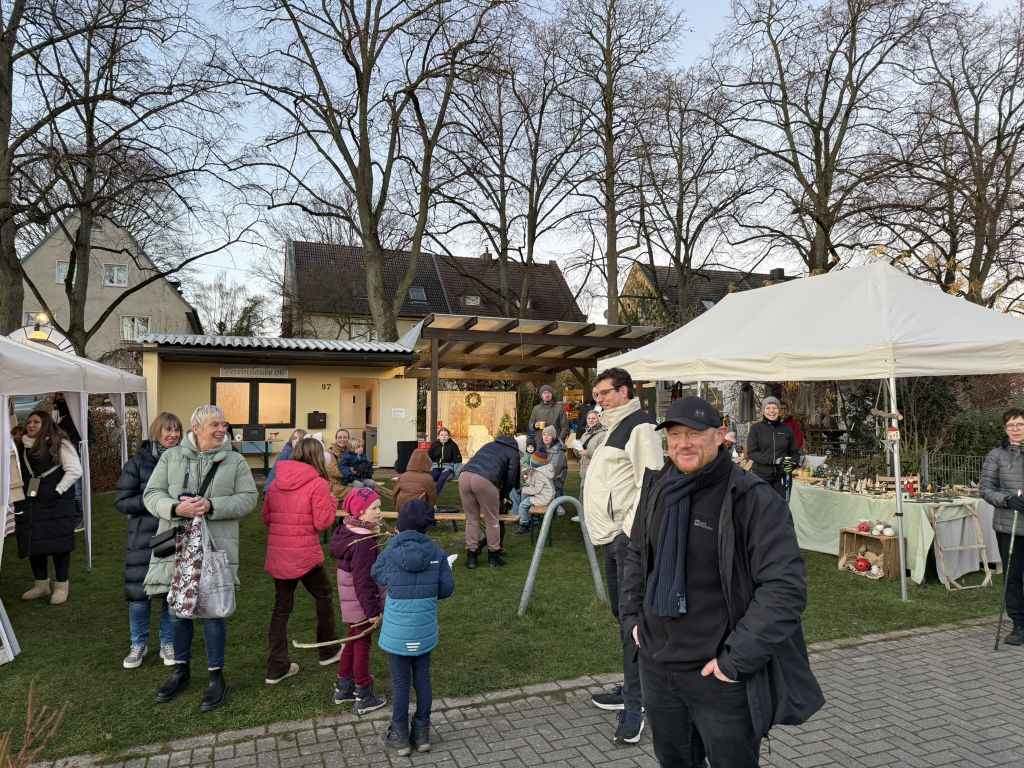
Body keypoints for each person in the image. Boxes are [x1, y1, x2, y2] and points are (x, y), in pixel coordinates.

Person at [620, 396, 824, 767]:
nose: (683, 443)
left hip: (718, 675)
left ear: (720, 436)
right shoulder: (658, 487)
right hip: (658, 667)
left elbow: (784, 588)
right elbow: (636, 553)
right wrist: (633, 620)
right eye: (675, 435)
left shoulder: (751, 498)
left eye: (695, 433)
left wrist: (735, 661)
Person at [144, 405, 258, 712]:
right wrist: (174, 508)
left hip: (215, 548)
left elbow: (249, 498)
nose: (221, 429)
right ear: (196, 428)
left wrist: (212, 505)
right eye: (214, 424)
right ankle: (181, 671)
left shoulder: (235, 460)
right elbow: (151, 494)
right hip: (177, 546)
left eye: (223, 424)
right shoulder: (171, 457)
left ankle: (216, 676)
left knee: (213, 611)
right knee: (177, 610)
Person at [582, 367, 663, 744]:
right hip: (612, 539)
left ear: (625, 391)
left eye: (605, 393)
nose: (599, 399)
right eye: (596, 394)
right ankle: (634, 686)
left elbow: (652, 484)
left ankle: (637, 704)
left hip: (627, 540)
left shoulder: (640, 426)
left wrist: (629, 532)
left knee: (633, 620)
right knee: (623, 615)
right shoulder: (614, 426)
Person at [371, 500, 455, 756]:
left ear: (400, 524)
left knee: (400, 683)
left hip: (398, 631)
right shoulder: (438, 554)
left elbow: (377, 574)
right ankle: (422, 733)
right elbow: (446, 590)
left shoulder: (390, 551)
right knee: (423, 679)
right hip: (423, 628)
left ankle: (399, 735)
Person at [263, 437, 341, 684]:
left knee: (281, 608)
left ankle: (276, 666)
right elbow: (323, 522)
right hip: (305, 554)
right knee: (324, 595)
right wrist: (331, 501)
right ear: (318, 457)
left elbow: (267, 517)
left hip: (280, 554)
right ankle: (328, 649)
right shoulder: (318, 484)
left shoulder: (276, 482)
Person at [114, 412, 183, 668]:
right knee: (139, 595)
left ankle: (168, 642)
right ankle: (138, 644)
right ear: (156, 432)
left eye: (176, 430)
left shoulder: (185, 461)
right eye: (168, 429)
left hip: (172, 533)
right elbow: (122, 501)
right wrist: (154, 501)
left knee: (168, 592)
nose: (173, 435)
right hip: (143, 535)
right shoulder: (137, 463)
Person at [13, 410, 82, 605]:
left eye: (36, 422)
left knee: (59, 545)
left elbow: (74, 470)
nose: (31, 425)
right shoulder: (21, 445)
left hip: (56, 504)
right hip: (30, 502)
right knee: (34, 543)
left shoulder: (60, 443)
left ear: (45, 424)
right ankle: (41, 585)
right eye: (29, 422)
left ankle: (61, 586)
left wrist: (58, 490)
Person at [331, 488, 388, 713]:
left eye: (379, 507)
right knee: (362, 646)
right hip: (361, 604)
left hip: (351, 602)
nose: (379, 512)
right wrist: (372, 611)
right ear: (360, 511)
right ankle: (363, 693)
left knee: (352, 641)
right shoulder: (363, 542)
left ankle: (344, 686)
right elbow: (363, 580)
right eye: (374, 508)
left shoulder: (348, 530)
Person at [980, 408, 1024, 646]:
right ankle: (1019, 624)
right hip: (1010, 527)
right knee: (1013, 578)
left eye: (1020, 425)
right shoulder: (996, 455)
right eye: (1010, 425)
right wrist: (1007, 500)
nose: (1015, 429)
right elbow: (986, 489)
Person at [458, 435, 520, 568]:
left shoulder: (489, 445)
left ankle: (471, 558)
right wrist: (503, 496)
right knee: (492, 520)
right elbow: (511, 479)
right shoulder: (513, 453)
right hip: (485, 479)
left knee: (471, 520)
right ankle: (493, 557)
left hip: (464, 476)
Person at [514, 426, 567, 535]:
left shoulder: (559, 452)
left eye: (549, 435)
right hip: (543, 479)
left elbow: (553, 472)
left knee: (527, 490)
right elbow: (536, 464)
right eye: (544, 434)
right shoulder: (542, 448)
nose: (546, 437)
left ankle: (527, 521)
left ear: (553, 437)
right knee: (524, 485)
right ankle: (528, 518)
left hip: (554, 482)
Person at [745, 397, 798, 497]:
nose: (771, 411)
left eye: (775, 408)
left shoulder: (787, 430)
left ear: (779, 410)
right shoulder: (756, 428)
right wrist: (773, 460)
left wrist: (792, 464)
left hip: (781, 478)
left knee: (780, 505)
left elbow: (794, 452)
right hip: (761, 476)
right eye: (768, 408)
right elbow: (751, 452)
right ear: (763, 411)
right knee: (762, 505)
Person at [574, 409, 608, 523]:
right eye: (589, 418)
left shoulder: (603, 434)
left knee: (594, 496)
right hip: (584, 470)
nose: (591, 420)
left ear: (599, 420)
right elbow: (579, 453)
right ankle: (582, 516)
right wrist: (576, 449)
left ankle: (593, 519)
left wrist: (588, 453)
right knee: (583, 492)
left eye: (594, 418)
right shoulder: (585, 434)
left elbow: (604, 452)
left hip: (595, 471)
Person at [427, 427, 463, 494]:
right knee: (429, 479)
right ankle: (425, 495)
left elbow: (457, 460)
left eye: (446, 435)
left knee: (442, 479)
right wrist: (427, 470)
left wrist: (456, 475)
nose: (444, 437)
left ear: (449, 437)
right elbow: (428, 458)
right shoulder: (434, 445)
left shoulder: (453, 445)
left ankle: (434, 496)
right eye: (442, 435)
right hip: (435, 468)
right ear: (438, 436)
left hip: (447, 468)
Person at [326, 429, 353, 504]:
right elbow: (334, 471)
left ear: (348, 438)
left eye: (345, 437)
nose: (342, 440)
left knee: (370, 484)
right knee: (362, 490)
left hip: (349, 480)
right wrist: (352, 471)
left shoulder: (351, 450)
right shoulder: (330, 452)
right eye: (340, 437)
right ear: (336, 438)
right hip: (336, 486)